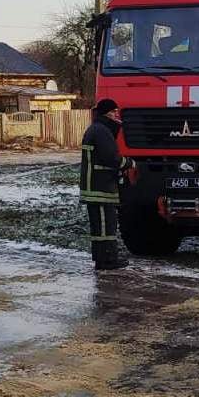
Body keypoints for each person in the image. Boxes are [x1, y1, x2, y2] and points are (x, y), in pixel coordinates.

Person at [80, 98, 132, 270]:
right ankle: (107, 259)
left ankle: (103, 258)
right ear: (106, 113)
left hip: (97, 187)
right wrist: (129, 163)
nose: (117, 114)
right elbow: (111, 158)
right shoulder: (102, 131)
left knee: (101, 227)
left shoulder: (96, 129)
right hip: (100, 187)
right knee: (105, 226)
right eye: (114, 111)